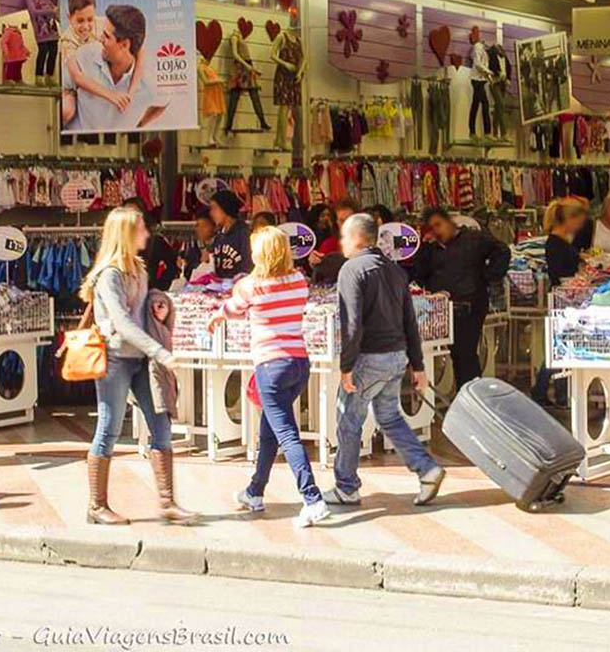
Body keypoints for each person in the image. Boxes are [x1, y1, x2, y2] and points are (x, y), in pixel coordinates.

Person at [209, 227, 330, 528]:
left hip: (270, 366)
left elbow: (234, 309)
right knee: (269, 432)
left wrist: (217, 315)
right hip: (299, 363)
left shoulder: (252, 286)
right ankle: (255, 492)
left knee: (287, 434)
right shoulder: (299, 281)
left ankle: (313, 499)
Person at [80, 207, 193, 525]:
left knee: (161, 424)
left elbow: (140, 313)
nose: (146, 232)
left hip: (141, 360)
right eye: (141, 228)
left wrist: (159, 303)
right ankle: (96, 506)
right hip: (115, 359)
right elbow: (122, 323)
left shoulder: (139, 270)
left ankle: (168, 501)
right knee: (109, 428)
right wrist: (160, 351)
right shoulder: (110, 275)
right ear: (127, 233)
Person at [324, 214, 445, 507]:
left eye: (343, 236)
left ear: (357, 238)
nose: (340, 242)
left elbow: (352, 324)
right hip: (396, 356)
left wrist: (346, 367)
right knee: (389, 416)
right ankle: (426, 469)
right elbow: (409, 321)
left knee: (349, 419)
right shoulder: (394, 270)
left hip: (370, 357)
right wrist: (417, 366)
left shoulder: (352, 270)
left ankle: (346, 487)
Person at [413, 207, 511, 388]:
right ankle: (465, 394)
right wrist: (425, 248)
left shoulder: (474, 239)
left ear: (448, 221)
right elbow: (420, 274)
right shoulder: (432, 248)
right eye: (431, 227)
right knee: (457, 355)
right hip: (443, 309)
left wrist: (488, 276)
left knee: (466, 354)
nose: (437, 230)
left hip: (471, 305)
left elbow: (502, 251)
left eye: (438, 224)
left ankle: (472, 396)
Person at [63, 3, 167, 131]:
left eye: (106, 36)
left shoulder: (149, 81)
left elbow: (163, 102)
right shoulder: (84, 55)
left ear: (124, 45)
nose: (100, 39)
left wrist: (139, 126)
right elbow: (67, 86)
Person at [532, 201, 587, 406]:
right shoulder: (556, 243)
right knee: (560, 347)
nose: (579, 227)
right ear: (569, 220)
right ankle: (549, 391)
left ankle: (552, 392)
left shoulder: (561, 242)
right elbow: (559, 272)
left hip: (564, 299)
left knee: (560, 347)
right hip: (561, 300)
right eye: (578, 222)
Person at [123, 197, 179, 291]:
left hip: (147, 294)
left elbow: (172, 265)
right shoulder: (117, 241)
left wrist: (157, 287)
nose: (131, 218)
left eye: (135, 214)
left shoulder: (155, 241)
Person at [208, 191, 252, 278]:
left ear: (225, 209)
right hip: (219, 287)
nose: (211, 213)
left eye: (214, 208)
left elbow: (248, 266)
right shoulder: (219, 236)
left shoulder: (244, 234)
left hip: (240, 287)